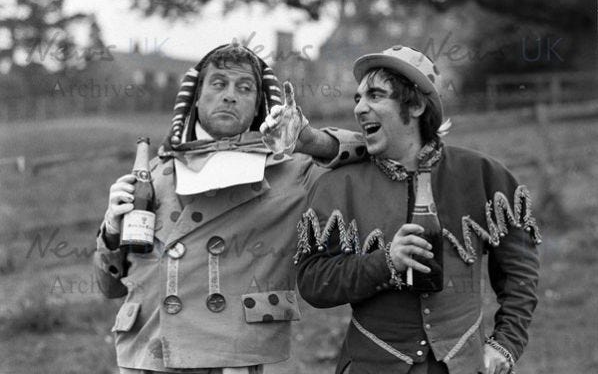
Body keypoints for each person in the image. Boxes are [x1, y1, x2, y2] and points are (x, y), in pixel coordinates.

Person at [93, 43, 366, 374]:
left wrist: (311, 140)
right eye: (218, 84)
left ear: (257, 108)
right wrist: (110, 232)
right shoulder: (151, 174)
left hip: (234, 359)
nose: (230, 95)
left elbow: (375, 151)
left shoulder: (292, 170)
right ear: (195, 95)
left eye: (245, 88)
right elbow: (110, 287)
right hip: (146, 356)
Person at [295, 45, 541, 374]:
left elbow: (519, 273)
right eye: (357, 98)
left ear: (415, 104)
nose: (359, 108)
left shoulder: (483, 175)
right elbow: (313, 283)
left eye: (375, 95)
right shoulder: (337, 185)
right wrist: (385, 263)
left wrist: (506, 345)